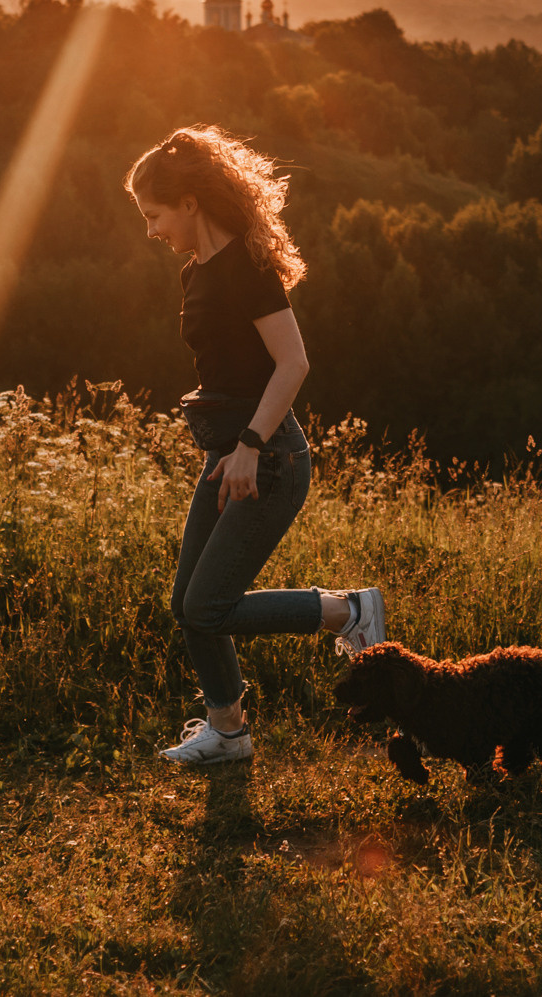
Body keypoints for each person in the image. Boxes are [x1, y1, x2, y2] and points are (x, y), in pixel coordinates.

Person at [125, 126, 385, 767]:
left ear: (189, 202)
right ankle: (228, 732)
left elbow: (293, 364)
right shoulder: (197, 273)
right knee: (189, 604)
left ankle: (348, 611)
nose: (151, 230)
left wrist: (247, 443)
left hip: (269, 459)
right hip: (231, 454)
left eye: (154, 214)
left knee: (208, 605)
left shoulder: (247, 267)